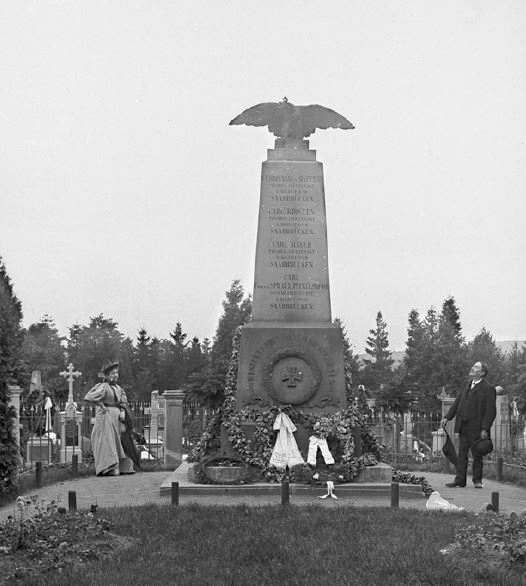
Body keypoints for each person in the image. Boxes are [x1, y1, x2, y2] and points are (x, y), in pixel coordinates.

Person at [441, 361, 496, 489]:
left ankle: (477, 480)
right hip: (463, 426)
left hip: (477, 427)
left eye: (476, 367)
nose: (472, 368)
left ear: (482, 372)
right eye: (473, 366)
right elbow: (457, 403)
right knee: (462, 454)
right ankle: (460, 480)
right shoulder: (466, 384)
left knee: (477, 454)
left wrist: (485, 428)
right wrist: (447, 417)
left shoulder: (488, 388)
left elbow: (490, 411)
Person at [84, 360, 137, 476]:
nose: (115, 375)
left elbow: (123, 402)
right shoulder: (103, 387)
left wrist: (122, 411)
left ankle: (125, 467)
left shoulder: (118, 388)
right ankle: (109, 468)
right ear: (107, 375)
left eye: (116, 373)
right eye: (113, 373)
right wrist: (100, 405)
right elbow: (89, 397)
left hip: (117, 417)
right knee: (107, 441)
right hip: (106, 416)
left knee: (121, 440)